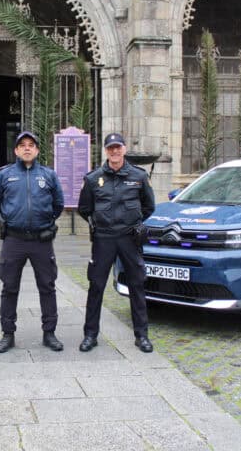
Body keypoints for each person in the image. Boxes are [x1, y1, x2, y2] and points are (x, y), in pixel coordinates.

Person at [77, 133, 156, 353]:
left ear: (124, 149)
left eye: (118, 147)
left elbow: (149, 206)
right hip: (103, 239)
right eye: (110, 148)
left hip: (129, 238)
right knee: (96, 286)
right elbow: (84, 208)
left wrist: (134, 222)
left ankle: (142, 336)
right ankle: (90, 335)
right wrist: (99, 223)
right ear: (106, 150)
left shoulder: (138, 176)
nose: (114, 151)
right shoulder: (93, 179)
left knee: (137, 285)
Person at [0, 131, 65, 353]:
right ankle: (8, 334)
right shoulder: (4, 175)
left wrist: (46, 221)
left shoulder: (49, 175)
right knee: (9, 287)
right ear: (16, 150)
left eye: (31, 145)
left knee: (47, 286)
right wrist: (6, 218)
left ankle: (49, 333)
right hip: (14, 240)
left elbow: (58, 204)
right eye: (22, 145)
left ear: (37, 150)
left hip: (41, 240)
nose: (27, 148)